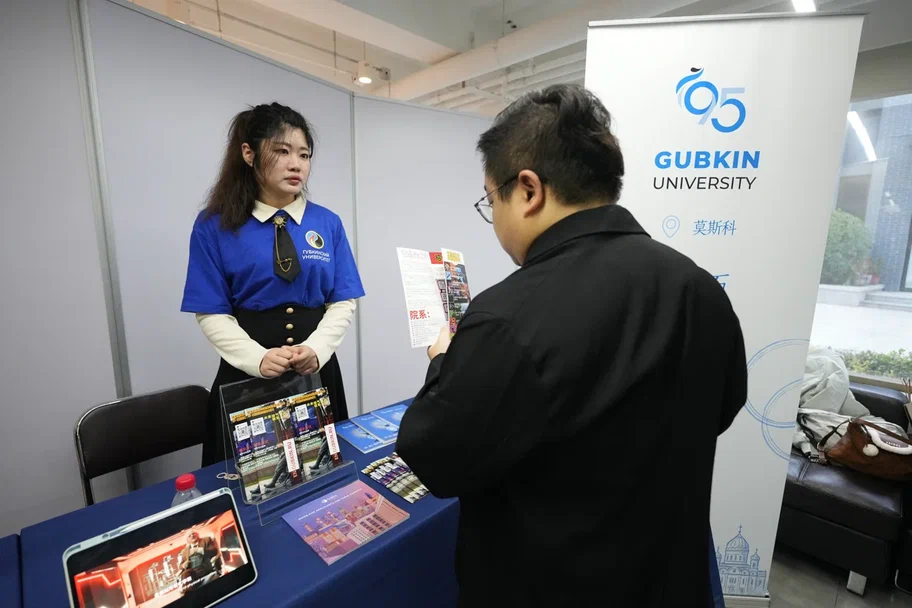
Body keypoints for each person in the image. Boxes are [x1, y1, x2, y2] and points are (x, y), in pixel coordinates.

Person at [395, 84, 747, 607]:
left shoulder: (506, 317)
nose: (494, 219)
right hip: (670, 581)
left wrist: (443, 361)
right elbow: (724, 405)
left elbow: (435, 456)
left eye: (490, 200)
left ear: (528, 190)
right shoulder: (700, 288)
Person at [182, 103, 364, 466]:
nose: (296, 164)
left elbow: (343, 301)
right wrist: (257, 359)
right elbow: (210, 312)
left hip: (316, 370)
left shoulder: (327, 223)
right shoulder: (214, 226)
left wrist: (317, 349)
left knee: (324, 472)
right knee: (250, 480)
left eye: (304, 155)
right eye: (282, 151)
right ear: (248, 153)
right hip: (246, 375)